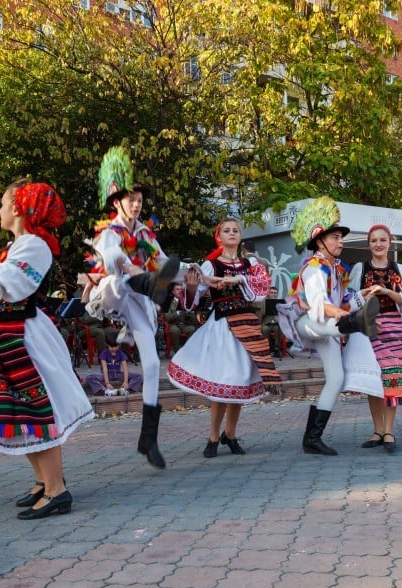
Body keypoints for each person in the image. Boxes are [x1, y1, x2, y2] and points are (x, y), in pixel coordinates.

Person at [0, 180, 95, 519]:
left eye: (2, 203)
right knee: (15, 409)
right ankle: (45, 480)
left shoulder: (34, 245)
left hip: (23, 336)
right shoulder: (16, 247)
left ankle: (57, 490)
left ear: (17, 207)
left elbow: (2, 283)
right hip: (6, 334)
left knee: (35, 408)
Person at [81, 146, 182, 469]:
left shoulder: (146, 233)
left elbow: (164, 262)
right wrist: (141, 274)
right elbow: (114, 261)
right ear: (117, 202)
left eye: (139, 201)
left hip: (139, 299)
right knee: (118, 281)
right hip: (111, 294)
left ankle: (148, 439)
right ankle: (153, 289)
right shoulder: (108, 232)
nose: (137, 205)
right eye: (131, 200)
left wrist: (196, 276)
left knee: (152, 365)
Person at [167, 218, 281, 458]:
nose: (231, 234)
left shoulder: (250, 264)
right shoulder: (210, 265)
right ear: (219, 237)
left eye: (235, 230)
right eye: (226, 231)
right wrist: (189, 287)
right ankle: (212, 436)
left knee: (238, 381)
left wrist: (238, 279)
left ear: (240, 236)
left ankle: (230, 434)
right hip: (221, 327)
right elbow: (192, 302)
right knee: (222, 382)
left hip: (247, 327)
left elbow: (262, 287)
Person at [277, 197, 380, 455]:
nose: (341, 241)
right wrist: (345, 317)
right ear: (319, 241)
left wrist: (361, 296)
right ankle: (355, 325)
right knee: (326, 323)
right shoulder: (314, 269)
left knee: (336, 379)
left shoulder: (335, 270)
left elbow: (343, 301)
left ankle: (312, 438)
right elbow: (318, 305)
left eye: (341, 237)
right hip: (308, 323)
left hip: (331, 329)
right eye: (335, 237)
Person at [347, 224, 402, 452]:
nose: (379, 244)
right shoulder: (359, 269)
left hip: (394, 327)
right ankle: (378, 430)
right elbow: (350, 301)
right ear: (368, 244)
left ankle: (389, 430)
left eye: (383, 240)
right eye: (374, 241)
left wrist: (386, 292)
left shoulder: (399, 268)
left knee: (392, 377)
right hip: (370, 329)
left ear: (389, 243)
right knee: (375, 379)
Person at [163, 283, 198, 354]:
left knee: (192, 329)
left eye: (181, 289)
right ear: (173, 292)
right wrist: (178, 313)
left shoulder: (186, 301)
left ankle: (187, 351)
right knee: (175, 331)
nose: (180, 291)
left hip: (185, 324)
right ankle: (177, 352)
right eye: (177, 289)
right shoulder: (167, 301)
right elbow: (167, 318)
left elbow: (193, 319)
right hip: (173, 324)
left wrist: (190, 313)